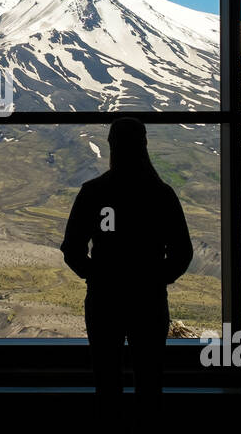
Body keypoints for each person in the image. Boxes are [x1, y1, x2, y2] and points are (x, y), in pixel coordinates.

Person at [60, 117, 194, 397]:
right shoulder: (161, 194)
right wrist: (156, 280)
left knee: (106, 380)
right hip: (149, 301)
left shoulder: (93, 192)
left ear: (112, 145)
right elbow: (182, 252)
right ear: (144, 144)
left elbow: (72, 249)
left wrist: (95, 276)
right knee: (150, 379)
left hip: (104, 299)